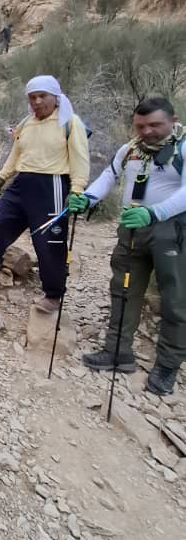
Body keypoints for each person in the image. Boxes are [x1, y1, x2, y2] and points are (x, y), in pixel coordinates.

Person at [70, 97, 186, 396]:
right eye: (140, 126)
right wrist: (87, 198)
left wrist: (155, 213)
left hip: (171, 229)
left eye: (154, 125)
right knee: (123, 290)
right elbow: (109, 176)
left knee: (175, 298)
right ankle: (118, 351)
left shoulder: (183, 147)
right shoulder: (129, 150)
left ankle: (168, 365)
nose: (146, 131)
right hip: (132, 228)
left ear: (173, 121)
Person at [0, 75, 90, 312]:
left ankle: (53, 295)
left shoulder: (69, 122)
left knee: (48, 241)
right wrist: (2, 176)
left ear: (55, 97)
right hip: (21, 182)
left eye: (42, 96)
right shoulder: (26, 123)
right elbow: (16, 153)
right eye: (32, 97)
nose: (37, 102)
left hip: (52, 185)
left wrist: (77, 189)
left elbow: (79, 158)